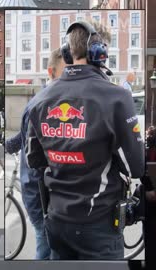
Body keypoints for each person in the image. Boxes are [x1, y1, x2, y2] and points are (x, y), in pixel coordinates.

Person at [25, 21, 144, 260]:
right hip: (98, 225)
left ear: (68, 52)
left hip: (57, 222)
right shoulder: (117, 98)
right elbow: (135, 166)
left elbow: (35, 160)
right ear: (99, 52)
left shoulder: (39, 100)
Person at [5, 48, 66, 259]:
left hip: (45, 193)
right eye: (65, 72)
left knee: (48, 245)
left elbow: (21, 139)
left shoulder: (52, 100)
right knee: (45, 244)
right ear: (51, 72)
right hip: (39, 193)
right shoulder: (42, 104)